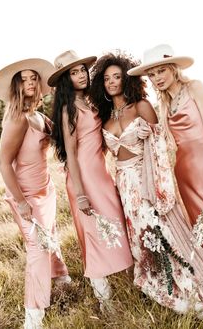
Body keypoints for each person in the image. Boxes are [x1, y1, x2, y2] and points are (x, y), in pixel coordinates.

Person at [89, 51, 203, 326]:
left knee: (166, 232)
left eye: (117, 76)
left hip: (148, 180)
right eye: (106, 78)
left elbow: (161, 142)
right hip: (124, 186)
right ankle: (163, 284)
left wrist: (149, 136)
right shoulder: (105, 118)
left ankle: (199, 286)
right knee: (143, 236)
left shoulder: (142, 106)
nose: (112, 82)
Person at [47, 50, 133, 311]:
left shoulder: (94, 101)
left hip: (102, 175)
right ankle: (104, 300)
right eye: (74, 72)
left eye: (82, 69)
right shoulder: (67, 108)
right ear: (66, 79)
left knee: (118, 227)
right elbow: (71, 154)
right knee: (93, 235)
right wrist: (80, 192)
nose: (81, 74)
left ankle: (131, 288)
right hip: (82, 178)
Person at [128, 44, 203, 269]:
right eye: (151, 74)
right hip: (184, 175)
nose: (156, 78)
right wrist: (149, 132)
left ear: (173, 68)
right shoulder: (164, 103)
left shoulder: (195, 88)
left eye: (161, 70)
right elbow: (166, 140)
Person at [0, 58, 71, 329]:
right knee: (37, 249)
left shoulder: (39, 115)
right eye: (24, 79)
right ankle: (33, 316)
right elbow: (3, 162)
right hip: (26, 196)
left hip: (46, 190)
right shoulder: (17, 117)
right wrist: (22, 202)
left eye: (33, 78)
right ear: (17, 85)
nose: (30, 83)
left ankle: (60, 278)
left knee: (52, 236)